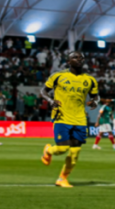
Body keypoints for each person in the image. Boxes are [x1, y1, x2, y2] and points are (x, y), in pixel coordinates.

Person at [40, 51, 99, 188]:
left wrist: (95, 102)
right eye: (75, 57)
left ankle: (62, 179)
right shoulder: (58, 76)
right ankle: (48, 150)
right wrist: (50, 100)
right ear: (68, 61)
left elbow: (95, 96)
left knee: (75, 152)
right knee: (62, 148)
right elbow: (43, 91)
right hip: (62, 116)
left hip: (80, 118)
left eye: (81, 58)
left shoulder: (90, 80)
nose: (79, 59)